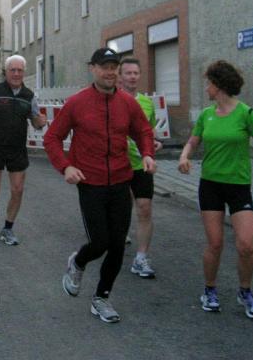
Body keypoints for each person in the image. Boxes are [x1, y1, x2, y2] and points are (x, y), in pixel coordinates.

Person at [44, 48, 156, 324]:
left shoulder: (127, 103)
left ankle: (101, 298)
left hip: (120, 180)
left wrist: (147, 153)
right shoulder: (77, 103)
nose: (110, 72)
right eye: (104, 67)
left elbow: (143, 130)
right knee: (100, 242)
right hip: (90, 181)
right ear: (92, 68)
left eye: (113, 67)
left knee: (117, 245)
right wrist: (66, 166)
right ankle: (78, 262)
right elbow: (52, 138)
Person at [178, 59, 253, 320]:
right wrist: (184, 156)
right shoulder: (206, 115)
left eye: (209, 83)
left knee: (246, 245)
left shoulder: (246, 114)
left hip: (239, 187)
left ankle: (245, 292)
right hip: (210, 186)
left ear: (219, 86)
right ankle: (209, 290)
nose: (206, 88)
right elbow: (193, 141)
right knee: (215, 243)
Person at [0, 55, 46, 246]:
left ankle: (7, 228)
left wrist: (40, 122)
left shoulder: (29, 96)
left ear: (24, 72)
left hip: (17, 149)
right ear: (6, 72)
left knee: (17, 190)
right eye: (12, 70)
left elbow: (35, 120)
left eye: (19, 70)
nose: (16, 74)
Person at [118, 58, 162, 279]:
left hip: (141, 165)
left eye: (136, 73)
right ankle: (117, 237)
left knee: (144, 208)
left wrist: (153, 143)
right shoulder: (112, 100)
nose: (133, 77)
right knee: (120, 207)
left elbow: (149, 131)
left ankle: (141, 257)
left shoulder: (146, 103)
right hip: (117, 165)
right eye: (128, 73)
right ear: (120, 76)